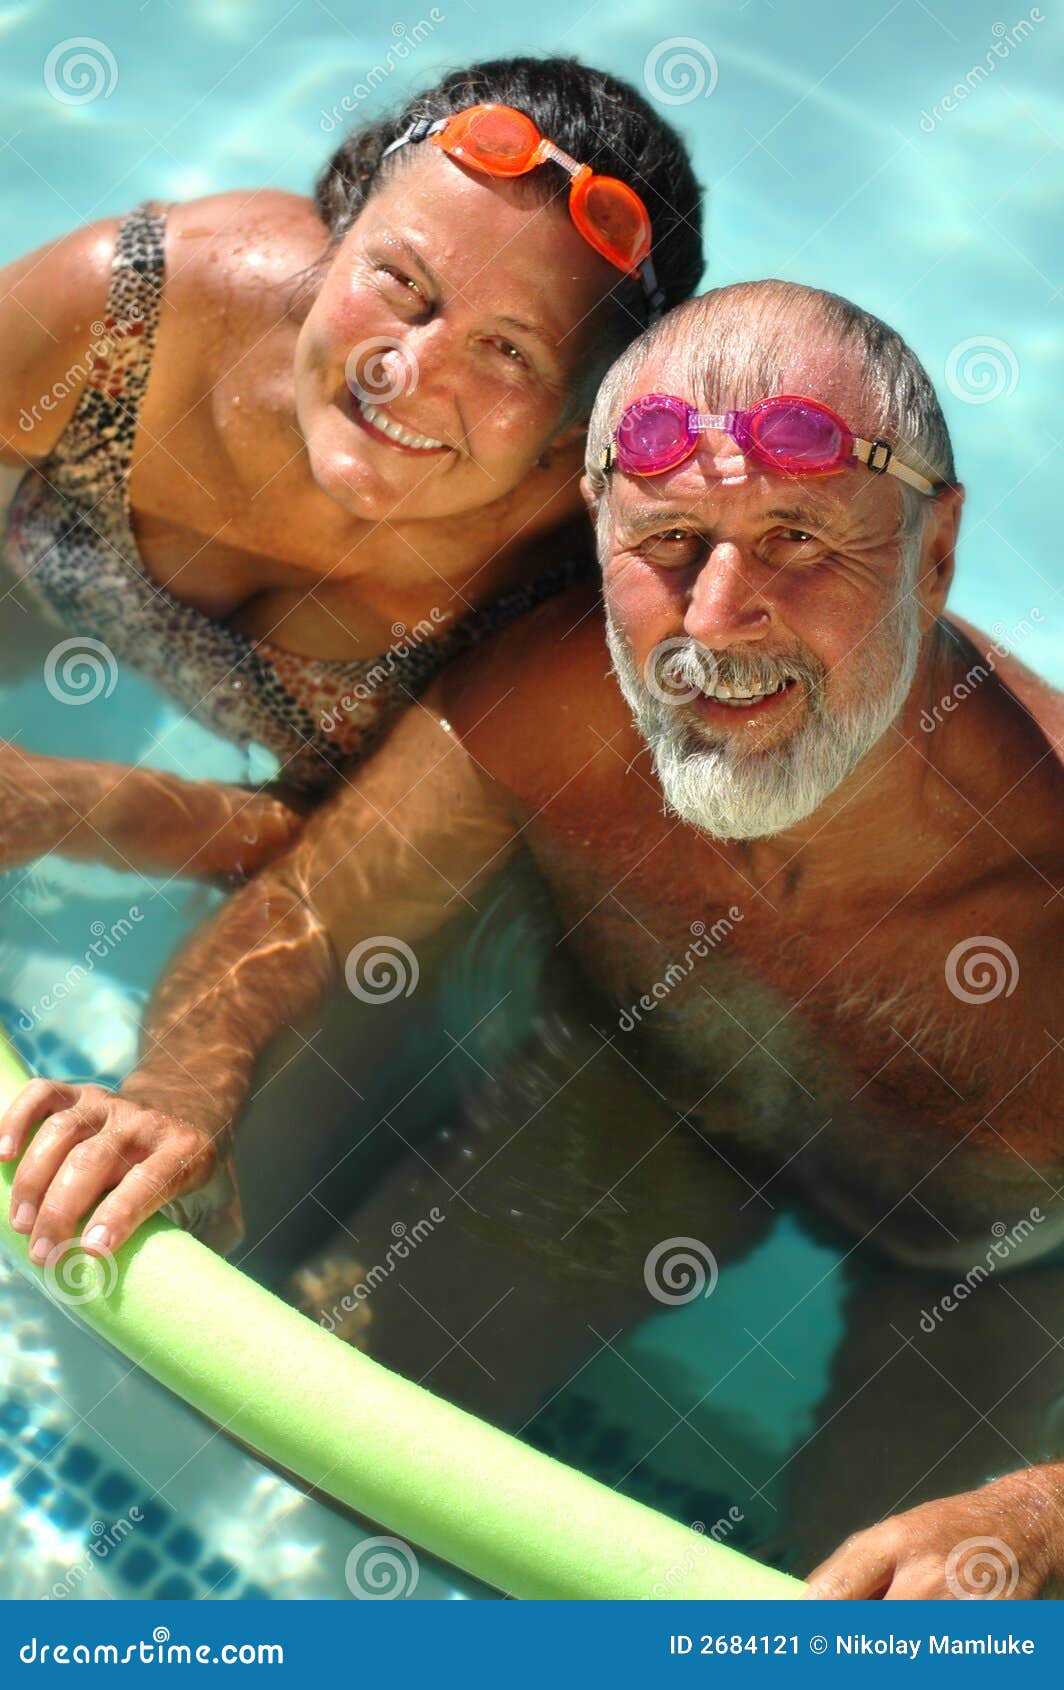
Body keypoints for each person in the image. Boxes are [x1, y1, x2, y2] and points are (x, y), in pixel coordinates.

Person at [5, 281, 1062, 1594]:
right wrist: (180, 1087)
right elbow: (311, 908)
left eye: (798, 539)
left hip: (990, 1262)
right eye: (669, 541)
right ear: (597, 525)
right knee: (349, 1442)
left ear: (937, 552)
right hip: (640, 1095)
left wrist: (1039, 1512)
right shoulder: (557, 699)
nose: (716, 618)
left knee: (912, 1617)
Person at [0, 55, 703, 844]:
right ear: (338, 236)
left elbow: (366, 881)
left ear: (579, 425)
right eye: (402, 282)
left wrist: (79, 808)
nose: (404, 371)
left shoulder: (564, 591)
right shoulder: (136, 312)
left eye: (509, 351)